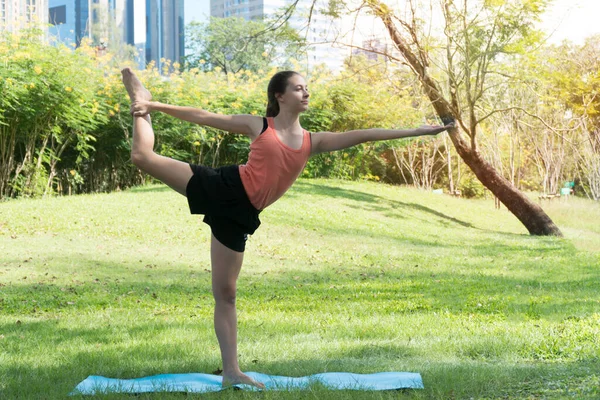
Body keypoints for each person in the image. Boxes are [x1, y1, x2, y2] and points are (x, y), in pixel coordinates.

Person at [120, 67, 453, 389]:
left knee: (226, 294)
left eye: (306, 88)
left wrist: (418, 131)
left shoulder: (312, 141)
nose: (305, 92)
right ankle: (140, 100)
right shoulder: (259, 126)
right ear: (279, 96)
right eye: (298, 88)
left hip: (241, 216)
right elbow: (205, 116)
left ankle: (231, 372)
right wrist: (153, 106)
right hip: (224, 186)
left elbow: (365, 135)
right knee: (141, 156)